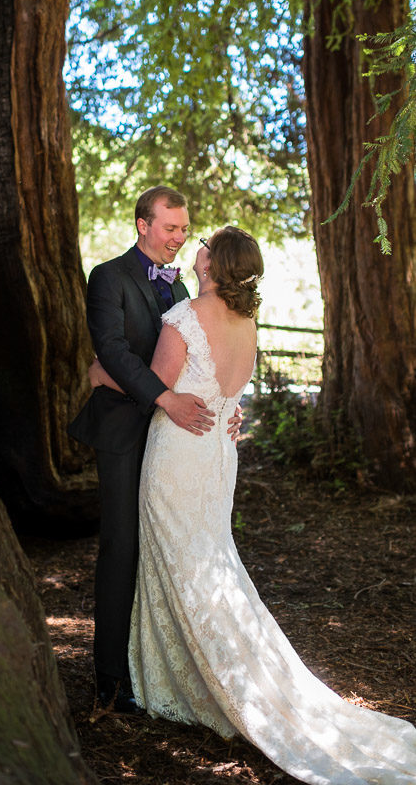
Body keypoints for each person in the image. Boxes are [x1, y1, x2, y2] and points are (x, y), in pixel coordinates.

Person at [93, 226, 416, 783]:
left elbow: (156, 388)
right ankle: (213, 670)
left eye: (205, 244)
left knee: (180, 561)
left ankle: (203, 682)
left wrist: (102, 373)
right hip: (217, 455)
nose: (195, 245)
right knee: (209, 561)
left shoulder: (185, 317)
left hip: (178, 458)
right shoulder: (247, 323)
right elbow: (228, 393)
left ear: (215, 264)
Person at [68, 187, 243, 714]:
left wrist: (225, 401)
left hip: (174, 440)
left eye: (185, 229)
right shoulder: (108, 277)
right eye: (171, 228)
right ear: (143, 225)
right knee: (121, 547)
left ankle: (158, 667)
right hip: (125, 429)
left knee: (164, 548)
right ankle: (111, 680)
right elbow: (114, 352)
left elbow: (198, 354)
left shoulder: (186, 285)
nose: (180, 237)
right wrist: (165, 397)